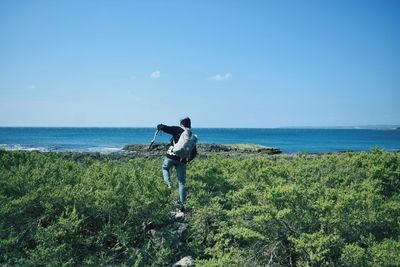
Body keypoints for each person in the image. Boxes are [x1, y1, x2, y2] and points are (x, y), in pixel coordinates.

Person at [157, 117, 197, 211]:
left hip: (171, 156)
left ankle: (169, 184)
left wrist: (159, 126)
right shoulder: (191, 136)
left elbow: (163, 127)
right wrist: (186, 161)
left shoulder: (177, 129)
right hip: (182, 160)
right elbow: (194, 153)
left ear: (182, 124)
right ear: (189, 125)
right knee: (182, 182)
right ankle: (183, 203)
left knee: (165, 168)